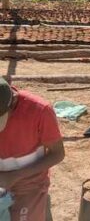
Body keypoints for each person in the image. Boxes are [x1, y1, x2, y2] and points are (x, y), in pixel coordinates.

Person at [0, 77, 65, 221]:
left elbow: (58, 154)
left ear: (12, 104)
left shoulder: (40, 111)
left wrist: (16, 175)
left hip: (29, 186)